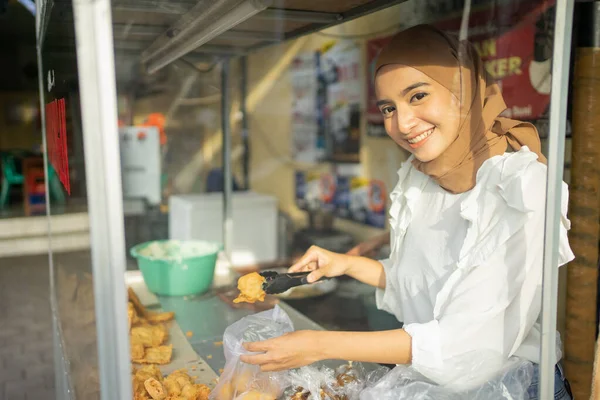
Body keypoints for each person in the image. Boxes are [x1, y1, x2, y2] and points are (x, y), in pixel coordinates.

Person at [240, 25, 574, 398]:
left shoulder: (520, 187)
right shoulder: (421, 179)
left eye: (418, 96)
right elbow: (421, 284)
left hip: (513, 388)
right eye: (388, 108)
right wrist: (347, 265)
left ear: (462, 93)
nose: (403, 123)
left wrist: (319, 344)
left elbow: (465, 345)